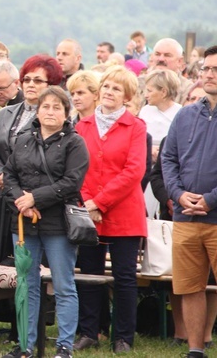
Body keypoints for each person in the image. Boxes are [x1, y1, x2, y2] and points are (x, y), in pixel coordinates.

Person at [1, 87, 90, 358]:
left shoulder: (75, 143)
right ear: (37, 111)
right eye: (45, 106)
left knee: (63, 285)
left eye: (56, 107)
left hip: (59, 224)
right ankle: (26, 346)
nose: (50, 111)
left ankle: (64, 347)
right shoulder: (23, 139)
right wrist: (21, 202)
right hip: (25, 223)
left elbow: (72, 183)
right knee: (27, 285)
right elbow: (9, 175)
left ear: (66, 113)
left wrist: (34, 199)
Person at [74, 66, 147, 353]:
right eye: (106, 86)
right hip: (89, 212)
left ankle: (123, 337)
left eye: (117, 88)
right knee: (89, 273)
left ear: (127, 96)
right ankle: (90, 332)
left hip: (124, 213)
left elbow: (134, 170)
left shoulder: (136, 126)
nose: (109, 92)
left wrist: (100, 202)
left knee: (125, 277)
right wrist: (88, 202)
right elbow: (76, 168)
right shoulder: (83, 125)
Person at [162, 46, 217, 358]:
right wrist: (179, 194)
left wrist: (210, 200)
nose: (209, 75)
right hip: (186, 219)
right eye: (206, 69)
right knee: (189, 287)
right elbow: (168, 160)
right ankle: (195, 350)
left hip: (215, 217)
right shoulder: (185, 115)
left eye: (215, 70)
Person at [0, 55, 64, 265]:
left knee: (30, 267)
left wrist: (18, 187)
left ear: (51, 85)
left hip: (34, 198)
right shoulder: (7, 113)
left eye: (38, 81)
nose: (30, 85)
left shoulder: (55, 119)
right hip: (3, 195)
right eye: (27, 79)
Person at [140, 69, 181, 158]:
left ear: (163, 92)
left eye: (150, 91)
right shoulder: (145, 111)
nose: (146, 95)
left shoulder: (181, 113)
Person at [151, 37, 193, 104]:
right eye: (157, 54)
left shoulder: (188, 89)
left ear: (179, 61)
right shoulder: (140, 84)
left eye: (167, 55)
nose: (161, 59)